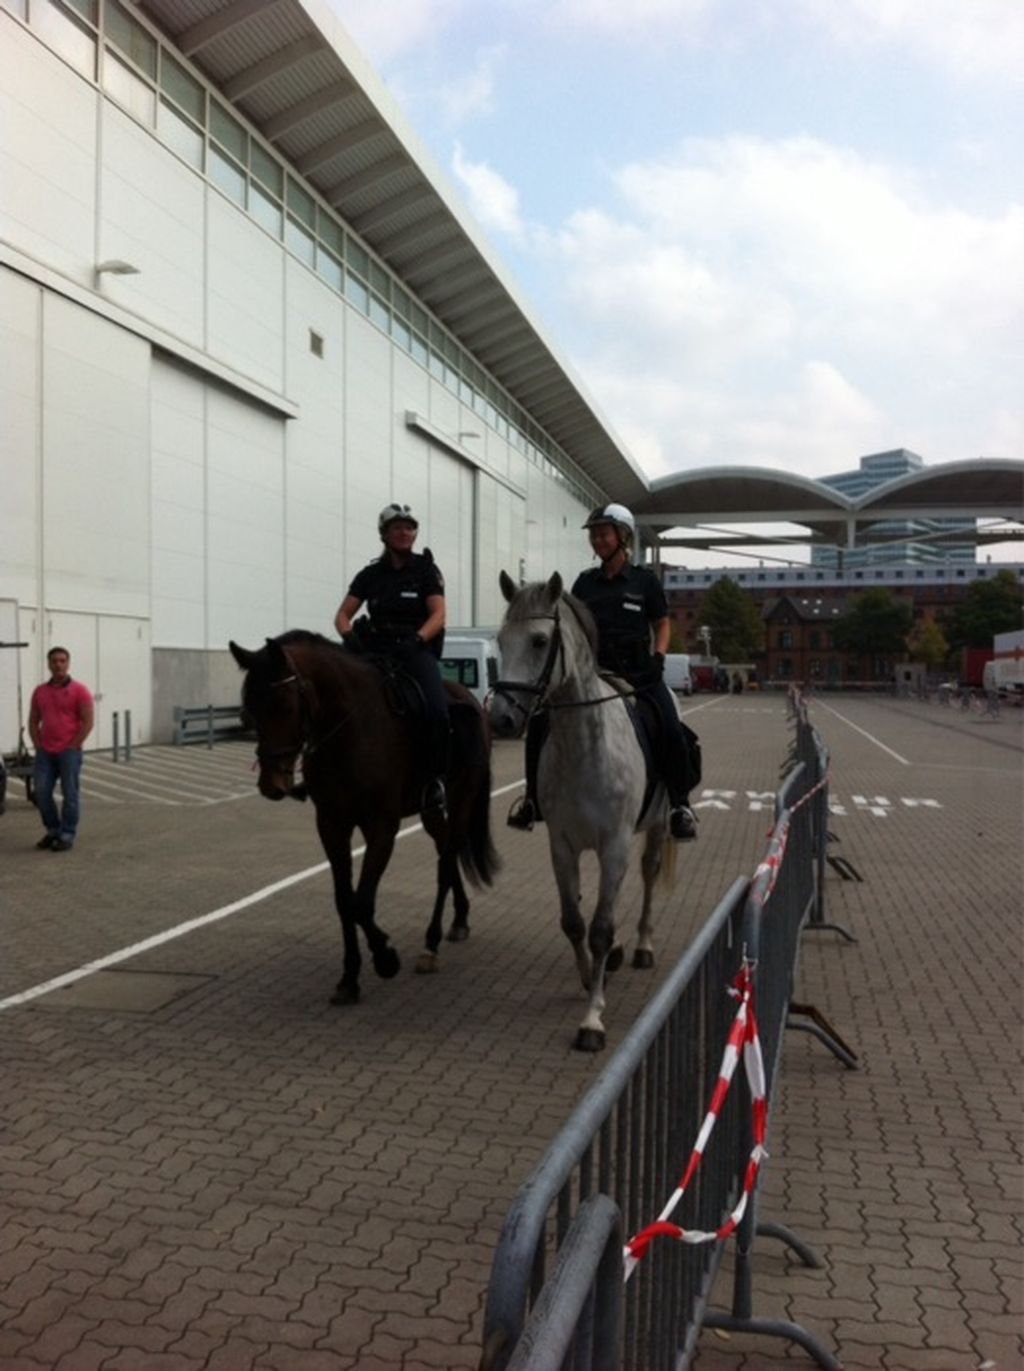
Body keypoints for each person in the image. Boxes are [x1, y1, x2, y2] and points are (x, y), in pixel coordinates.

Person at [508, 503, 701, 840]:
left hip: (640, 675)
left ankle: (679, 805)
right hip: (596, 673)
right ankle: (532, 801)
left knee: (670, 726)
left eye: (603, 533)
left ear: (622, 537)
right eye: (594, 534)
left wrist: (658, 657)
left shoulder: (645, 582)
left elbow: (662, 623)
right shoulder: (585, 583)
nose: (597, 539)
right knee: (540, 723)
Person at [334, 503, 450, 817]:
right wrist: (349, 638)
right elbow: (343, 615)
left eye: (409, 527)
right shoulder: (370, 574)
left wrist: (418, 639)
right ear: (384, 533)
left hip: (413, 650)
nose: (404, 532)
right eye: (397, 527)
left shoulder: (426, 570)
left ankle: (435, 782)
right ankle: (323, 771)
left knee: (438, 710)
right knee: (333, 700)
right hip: (374, 650)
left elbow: (438, 614)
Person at [28, 646, 94, 851]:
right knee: (41, 792)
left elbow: (88, 722)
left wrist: (74, 745)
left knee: (70, 794)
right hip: (46, 752)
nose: (58, 665)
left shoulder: (80, 691)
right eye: (54, 661)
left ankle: (67, 833)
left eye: (62, 661)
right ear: (48, 664)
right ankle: (53, 830)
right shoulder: (40, 692)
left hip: (69, 752)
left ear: (68, 663)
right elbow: (33, 721)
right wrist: (38, 745)